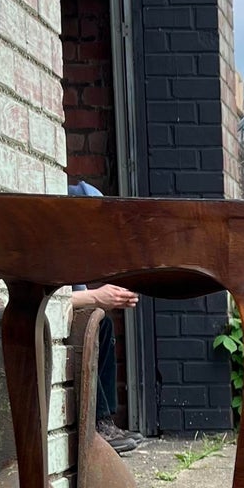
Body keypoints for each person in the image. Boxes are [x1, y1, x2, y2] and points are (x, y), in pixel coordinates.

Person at [68, 181, 142, 457]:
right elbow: (53, 300)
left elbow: (77, 296)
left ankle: (104, 420)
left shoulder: (73, 252)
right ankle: (97, 424)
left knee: (102, 323)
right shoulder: (51, 248)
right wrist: (96, 298)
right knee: (93, 322)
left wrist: (106, 298)